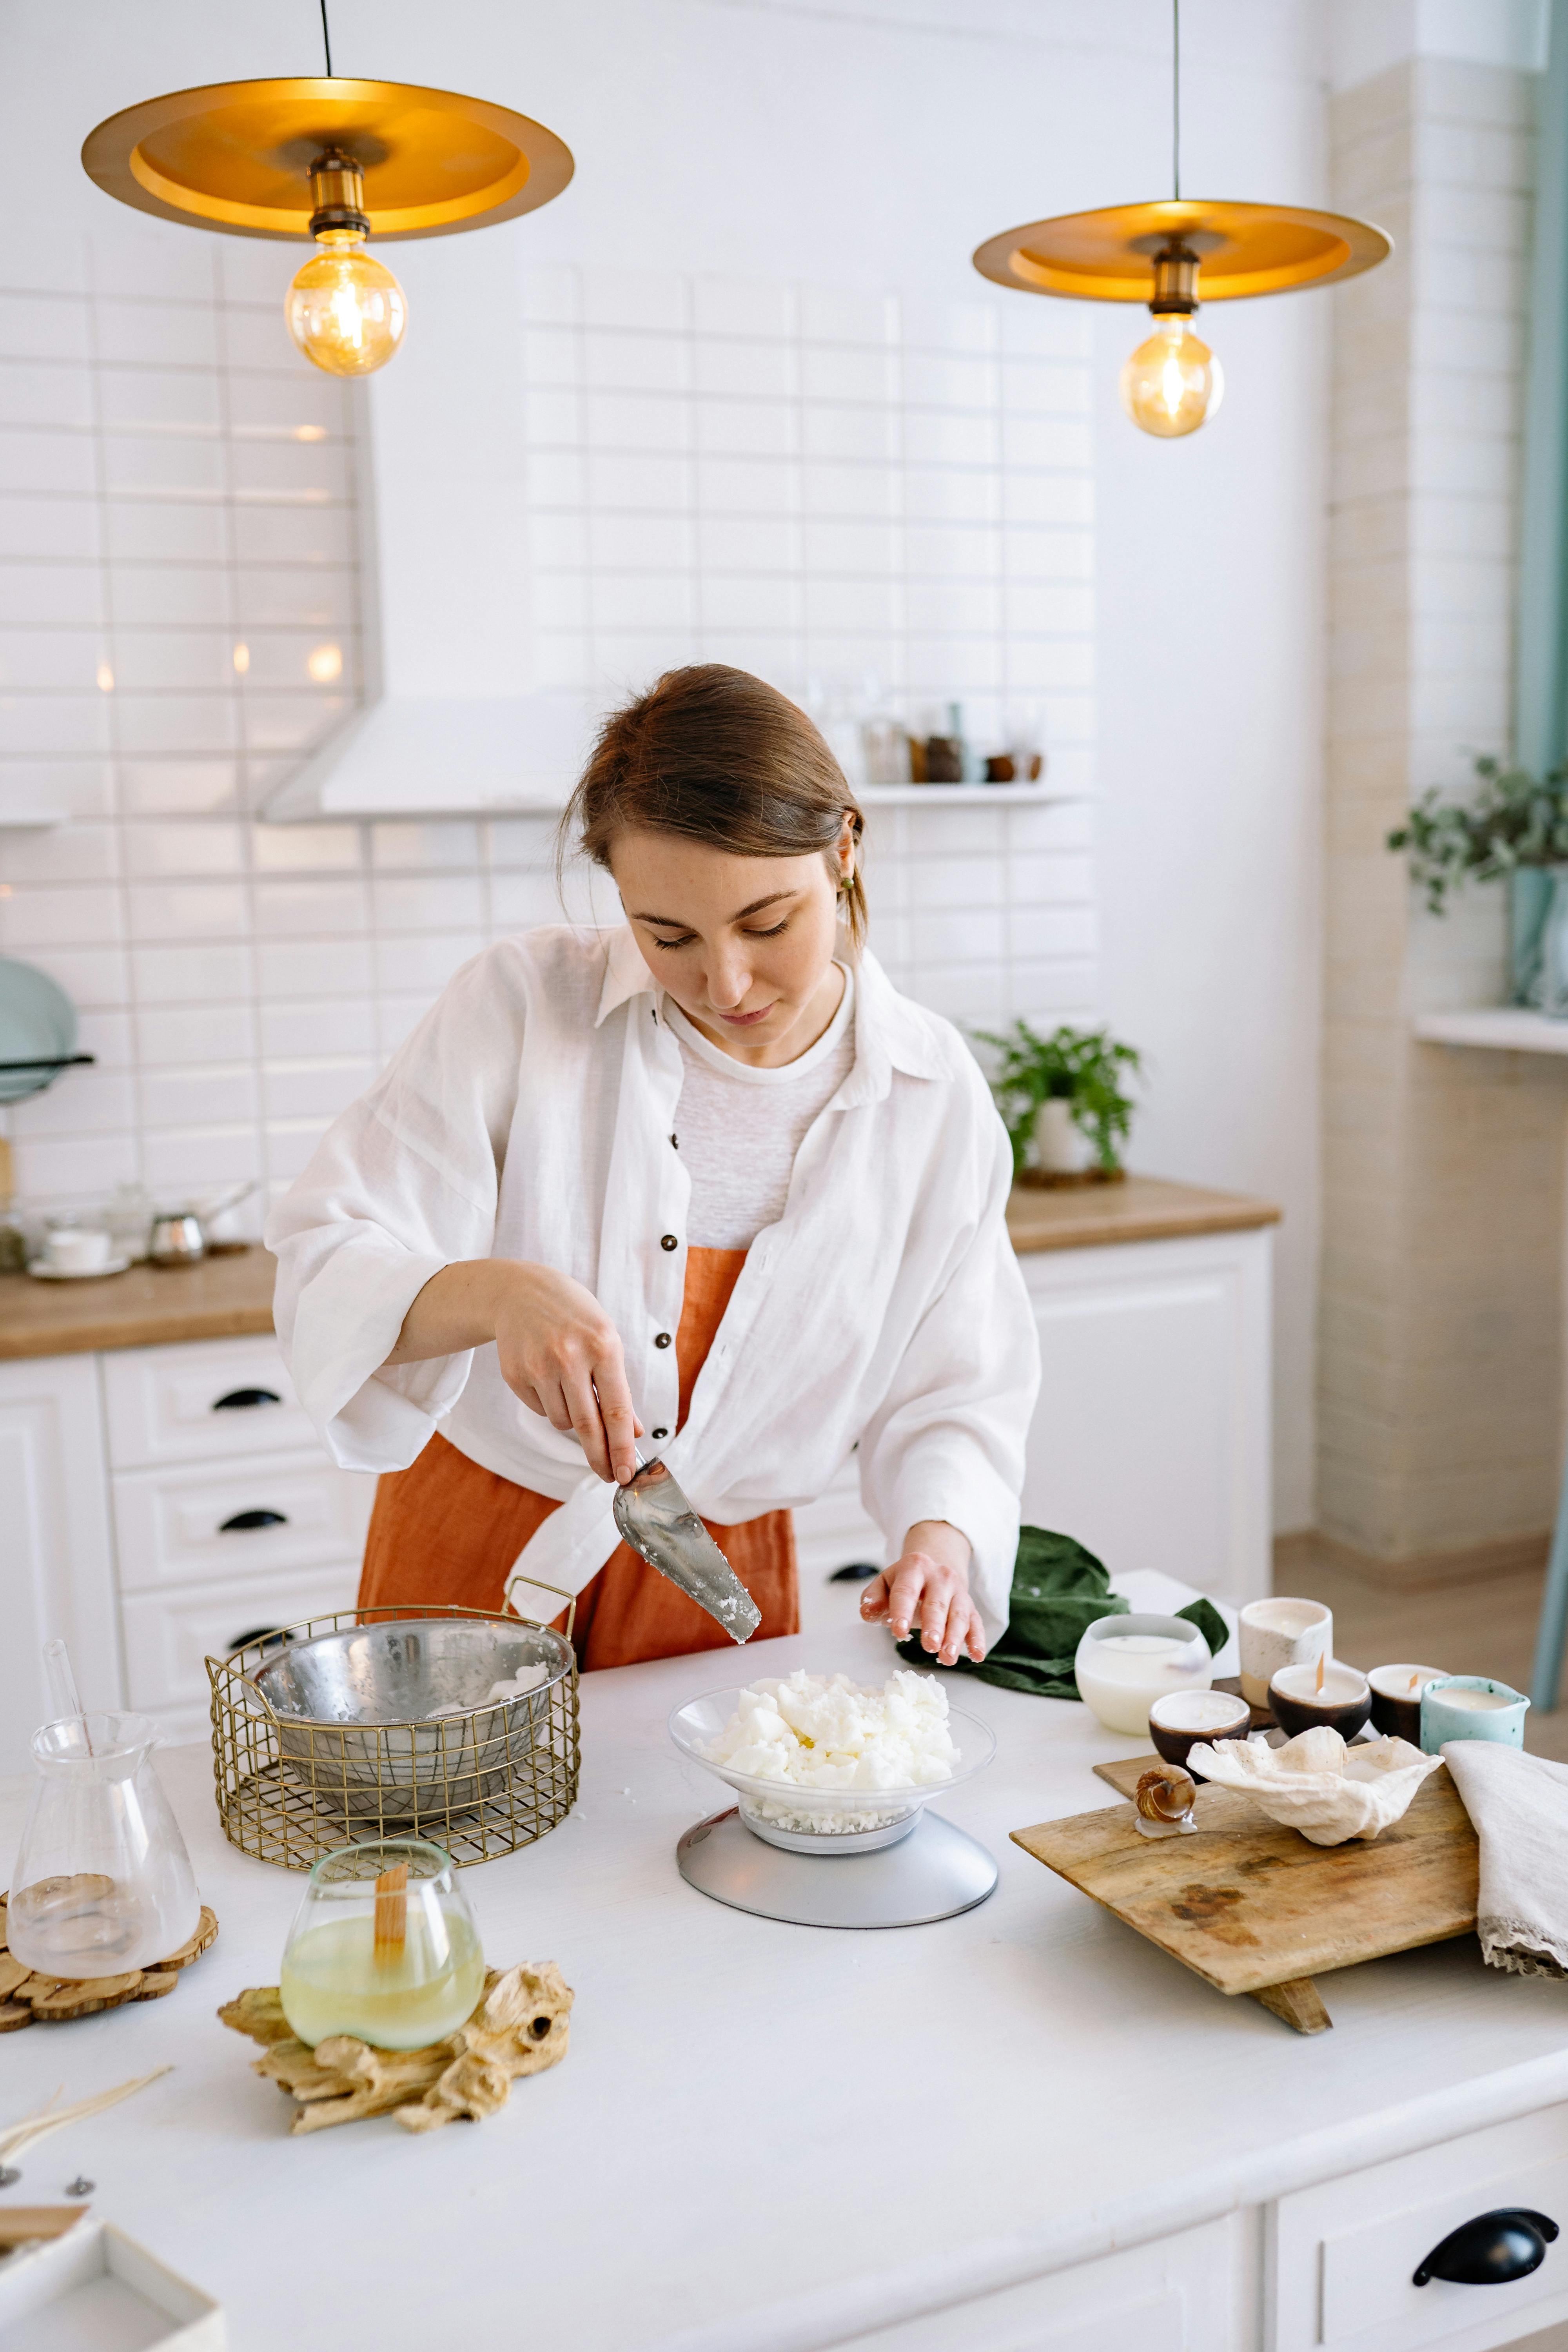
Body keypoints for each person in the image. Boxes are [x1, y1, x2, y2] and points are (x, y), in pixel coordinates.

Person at [267, 665, 1040, 1672]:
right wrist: (495, 1295)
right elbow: (326, 1261)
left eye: (767, 924)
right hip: (475, 1536)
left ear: (844, 848)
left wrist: (941, 1533)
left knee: (697, 1829)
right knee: (436, 1829)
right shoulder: (520, 1005)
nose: (723, 982)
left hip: (715, 1566)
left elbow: (958, 1386)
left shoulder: (930, 1097)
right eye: (665, 933)